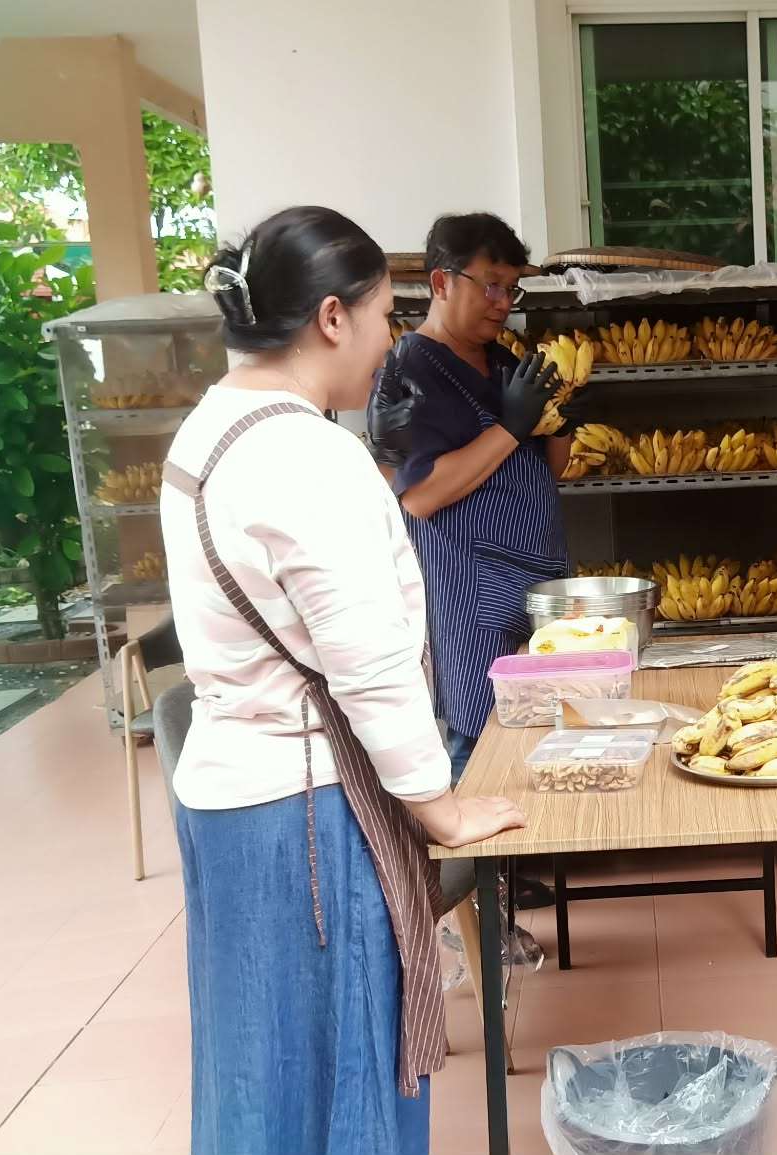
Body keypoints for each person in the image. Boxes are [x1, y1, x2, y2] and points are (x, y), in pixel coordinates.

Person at [164, 206, 526, 1154]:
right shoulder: (306, 455)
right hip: (311, 809)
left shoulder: (211, 425)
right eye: (382, 316)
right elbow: (368, 667)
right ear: (332, 317)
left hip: (230, 790)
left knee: (261, 1067)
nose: (388, 340)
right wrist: (439, 808)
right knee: (348, 1067)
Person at [366, 213, 582, 782]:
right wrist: (510, 427)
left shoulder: (505, 362)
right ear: (441, 282)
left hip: (540, 581)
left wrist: (559, 425)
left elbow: (548, 471)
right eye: (490, 284)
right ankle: (474, 870)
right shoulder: (410, 368)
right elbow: (417, 497)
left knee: (545, 732)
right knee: (480, 740)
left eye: (512, 288)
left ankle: (534, 862)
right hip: (469, 589)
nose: (502, 301)